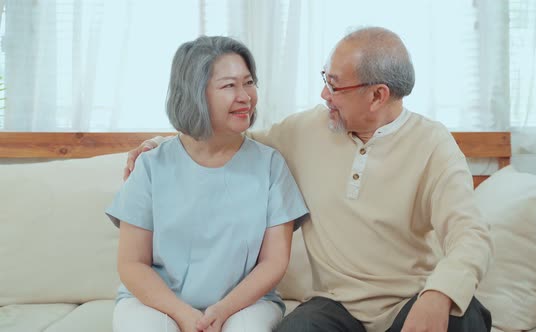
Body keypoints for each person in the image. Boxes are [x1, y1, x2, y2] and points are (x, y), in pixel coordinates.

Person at [125, 27, 493, 332]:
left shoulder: (432, 144)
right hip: (335, 308)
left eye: (335, 85)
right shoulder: (305, 130)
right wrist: (161, 145)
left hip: (409, 303)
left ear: (377, 95)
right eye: (325, 80)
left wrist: (439, 294)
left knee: (465, 317)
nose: (323, 95)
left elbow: (470, 234)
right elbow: (231, 141)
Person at [107, 36, 308, 332]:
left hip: (245, 303)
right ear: (195, 94)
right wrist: (184, 315)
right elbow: (132, 264)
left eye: (249, 83)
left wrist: (222, 310)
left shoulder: (270, 166)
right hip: (157, 302)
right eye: (229, 86)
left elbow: (274, 262)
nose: (245, 96)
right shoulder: (150, 165)